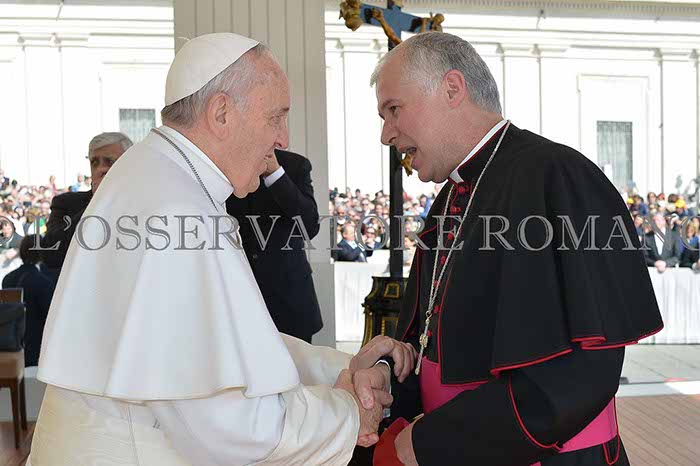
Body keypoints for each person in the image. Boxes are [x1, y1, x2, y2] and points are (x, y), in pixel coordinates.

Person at [29, 33, 414, 466]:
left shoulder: (157, 175)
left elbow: (226, 342)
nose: (283, 138)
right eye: (275, 117)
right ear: (222, 113)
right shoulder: (177, 210)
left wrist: (340, 367)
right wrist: (348, 411)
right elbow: (232, 426)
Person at [369, 32, 663, 466]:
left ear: (452, 89)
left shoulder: (559, 176)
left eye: (393, 110)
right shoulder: (450, 199)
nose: (386, 134)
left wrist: (435, 441)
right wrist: (385, 375)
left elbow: (583, 375)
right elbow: (427, 340)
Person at [226, 148, 323, 343]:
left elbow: (309, 227)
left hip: (290, 298)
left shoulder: (296, 165)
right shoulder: (224, 163)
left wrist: (276, 174)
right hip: (237, 298)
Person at [42, 132, 133, 279]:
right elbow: (51, 255)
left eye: (110, 162)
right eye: (94, 162)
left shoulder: (145, 204)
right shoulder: (65, 203)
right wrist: (97, 203)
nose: (101, 169)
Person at [2, 235, 54, 366]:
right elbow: (48, 316)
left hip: (11, 342)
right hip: (36, 347)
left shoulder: (8, 279)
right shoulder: (44, 282)